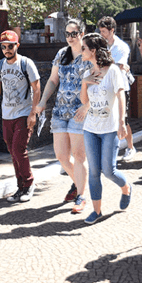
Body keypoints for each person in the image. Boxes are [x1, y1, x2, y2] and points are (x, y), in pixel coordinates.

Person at [33, 19, 92, 213]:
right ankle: (81, 184)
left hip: (79, 112)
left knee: (78, 154)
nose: (70, 37)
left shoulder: (89, 53)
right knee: (61, 155)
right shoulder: (61, 54)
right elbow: (52, 80)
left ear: (82, 33)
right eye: (67, 34)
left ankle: (81, 196)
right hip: (60, 111)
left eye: (73, 33)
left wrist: (88, 105)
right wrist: (42, 102)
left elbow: (99, 81)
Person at [75, 33, 131, 225]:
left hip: (109, 128)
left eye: (84, 48)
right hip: (91, 128)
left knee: (109, 171)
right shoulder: (88, 73)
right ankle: (96, 211)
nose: (81, 50)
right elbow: (84, 101)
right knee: (94, 171)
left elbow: (121, 95)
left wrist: (122, 122)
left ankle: (126, 188)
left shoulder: (113, 71)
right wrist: (85, 83)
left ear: (93, 51)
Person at [0, 30, 41, 201]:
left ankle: (29, 184)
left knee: (18, 149)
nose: (7, 49)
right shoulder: (0, 65)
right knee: (12, 152)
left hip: (23, 113)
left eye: (10, 46)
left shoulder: (26, 63)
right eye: (4, 47)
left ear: (17, 46)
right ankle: (20, 187)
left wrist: (33, 113)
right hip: (7, 115)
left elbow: (37, 89)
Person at [97, 16, 137, 161]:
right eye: (100, 31)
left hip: (121, 87)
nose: (101, 34)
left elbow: (116, 66)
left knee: (123, 119)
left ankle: (130, 147)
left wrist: (104, 65)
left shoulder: (121, 46)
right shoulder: (100, 45)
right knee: (106, 117)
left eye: (104, 31)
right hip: (104, 86)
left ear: (112, 30)